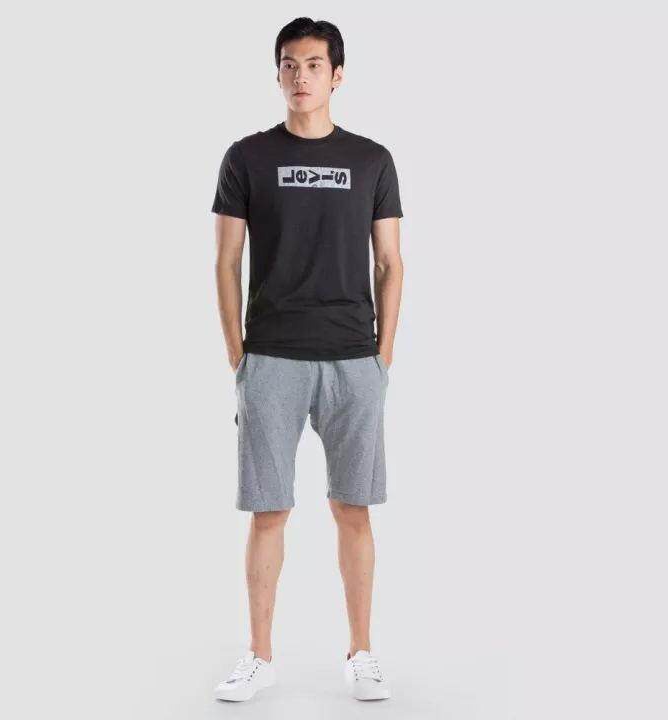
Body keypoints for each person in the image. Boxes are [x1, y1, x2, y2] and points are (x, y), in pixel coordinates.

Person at [211, 17, 403, 702]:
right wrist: (240, 358)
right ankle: (260, 656)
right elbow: (227, 262)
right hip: (272, 358)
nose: (301, 77)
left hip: (353, 359)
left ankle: (362, 652)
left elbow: (391, 262)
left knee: (354, 509)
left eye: (315, 65)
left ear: (337, 75)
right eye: (290, 65)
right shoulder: (247, 158)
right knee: (268, 511)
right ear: (278, 74)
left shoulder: (372, 160)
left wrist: (381, 359)